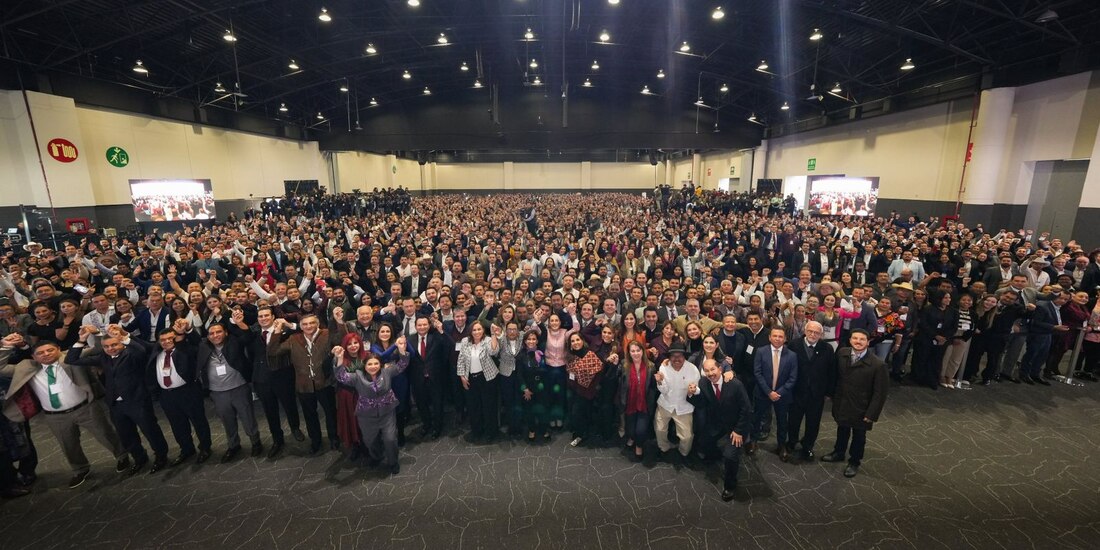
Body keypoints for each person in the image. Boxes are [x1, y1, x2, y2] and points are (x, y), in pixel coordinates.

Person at [0, 335, 129, 489]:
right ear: (33, 356)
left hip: (85, 408)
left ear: (59, 350)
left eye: (50, 350)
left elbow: (97, 348)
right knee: (68, 445)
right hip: (55, 416)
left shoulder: (70, 357)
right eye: (41, 353)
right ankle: (80, 469)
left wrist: (93, 334)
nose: (46, 354)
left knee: (105, 433)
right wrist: (6, 346)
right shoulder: (26, 367)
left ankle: (122, 456)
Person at [65, 324, 168, 475]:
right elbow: (71, 359)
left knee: (151, 431)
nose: (111, 348)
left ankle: (161, 457)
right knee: (126, 434)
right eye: (106, 346)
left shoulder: (132, 354)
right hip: (115, 404)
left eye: (114, 344)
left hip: (137, 401)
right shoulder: (103, 358)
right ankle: (140, 458)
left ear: (121, 343)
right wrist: (81, 340)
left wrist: (124, 337)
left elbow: (142, 350)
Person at [331, 335, 409, 474]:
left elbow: (402, 365)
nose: (373, 367)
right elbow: (341, 376)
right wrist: (340, 358)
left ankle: (393, 462)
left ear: (380, 365)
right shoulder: (357, 376)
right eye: (369, 364)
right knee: (370, 440)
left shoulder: (387, 371)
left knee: (390, 439)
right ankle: (376, 457)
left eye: (376, 364)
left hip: (387, 412)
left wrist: (402, 350)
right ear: (364, 366)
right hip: (366, 415)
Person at [274, 312, 346, 454]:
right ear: (300, 326)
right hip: (304, 385)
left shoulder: (326, 334)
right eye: (305, 324)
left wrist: (340, 322)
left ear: (317, 323)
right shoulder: (294, 338)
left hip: (324, 382)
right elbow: (274, 351)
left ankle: (334, 438)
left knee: (331, 413)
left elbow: (343, 339)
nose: (309, 326)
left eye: (312, 323)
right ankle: (316, 440)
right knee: (309, 415)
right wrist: (276, 332)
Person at [821, 329, 889, 478]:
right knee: (842, 429)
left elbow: (880, 393)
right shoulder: (842, 353)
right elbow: (835, 376)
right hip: (842, 402)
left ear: (868, 342)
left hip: (862, 407)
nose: (858, 342)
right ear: (850, 340)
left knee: (859, 436)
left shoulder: (878, 365)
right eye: (855, 338)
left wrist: (871, 414)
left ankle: (854, 461)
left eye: (862, 339)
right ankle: (838, 452)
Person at [149, 319, 213, 465]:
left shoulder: (185, 350)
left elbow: (199, 344)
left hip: (188, 391)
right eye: (162, 340)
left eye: (170, 339)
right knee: (177, 424)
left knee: (198, 421)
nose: (166, 342)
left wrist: (187, 331)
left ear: (176, 338)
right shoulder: (157, 352)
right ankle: (186, 449)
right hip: (167, 395)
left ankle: (205, 448)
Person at [689, 358, 751, 502]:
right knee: (704, 441)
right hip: (717, 424)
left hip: (735, 427)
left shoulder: (735, 384)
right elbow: (702, 403)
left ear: (720, 369)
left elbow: (746, 409)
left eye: (713, 369)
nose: (710, 373)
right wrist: (692, 394)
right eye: (707, 371)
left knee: (730, 456)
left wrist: (739, 430)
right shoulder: (704, 382)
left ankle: (730, 486)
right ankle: (715, 455)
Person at [247, 306, 304, 460]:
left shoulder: (285, 332)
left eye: (266, 315)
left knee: (289, 404)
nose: (263, 318)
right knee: (270, 411)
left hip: (283, 375)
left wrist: (288, 324)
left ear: (273, 317)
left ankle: (295, 428)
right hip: (262, 379)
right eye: (260, 316)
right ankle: (277, 440)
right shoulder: (253, 334)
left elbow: (302, 330)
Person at [785, 321, 835, 463]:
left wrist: (828, 393)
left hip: (817, 394)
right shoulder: (794, 345)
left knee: (813, 423)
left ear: (821, 334)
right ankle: (792, 442)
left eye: (817, 333)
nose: (813, 334)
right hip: (796, 392)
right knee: (793, 420)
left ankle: (808, 446)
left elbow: (832, 372)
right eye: (810, 331)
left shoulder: (827, 348)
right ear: (805, 331)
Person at [750, 327, 798, 460]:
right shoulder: (761, 351)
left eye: (780, 336)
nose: (777, 339)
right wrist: (768, 392)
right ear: (770, 337)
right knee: (757, 418)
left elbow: (793, 378)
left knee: (782, 421)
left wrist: (778, 392)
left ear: (785, 339)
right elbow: (757, 373)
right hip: (762, 393)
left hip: (782, 395)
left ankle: (781, 445)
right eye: (775, 336)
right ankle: (753, 441)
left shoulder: (792, 355)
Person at [653, 344, 700, 461]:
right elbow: (664, 390)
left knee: (687, 437)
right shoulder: (664, 367)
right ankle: (664, 449)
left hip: (684, 407)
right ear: (669, 357)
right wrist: (659, 382)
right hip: (665, 404)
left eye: (680, 356)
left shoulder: (692, 369)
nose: (677, 359)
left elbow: (698, 389)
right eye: (673, 356)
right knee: (659, 430)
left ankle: (684, 453)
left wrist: (694, 390)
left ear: (684, 357)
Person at [457, 320, 501, 443]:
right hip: (470, 378)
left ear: (483, 330)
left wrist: (493, 335)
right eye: (474, 330)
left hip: (487, 378)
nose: (477, 332)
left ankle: (491, 432)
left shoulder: (487, 340)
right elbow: (460, 359)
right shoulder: (465, 342)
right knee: (473, 407)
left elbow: (494, 351)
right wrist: (462, 376)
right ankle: (477, 431)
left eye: (479, 329)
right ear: (470, 331)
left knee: (489, 407)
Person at [564, 332, 607, 447]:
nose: (575, 343)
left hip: (591, 390)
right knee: (576, 413)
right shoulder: (570, 357)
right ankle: (580, 434)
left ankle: (586, 434)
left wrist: (592, 386)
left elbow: (599, 371)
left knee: (588, 413)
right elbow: (569, 375)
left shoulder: (590, 354)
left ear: (582, 341)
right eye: (572, 341)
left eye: (578, 340)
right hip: (576, 391)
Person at [619, 340, 656, 461]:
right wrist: (613, 365)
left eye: (638, 350)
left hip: (644, 404)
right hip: (629, 403)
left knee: (640, 431)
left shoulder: (651, 366)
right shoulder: (624, 365)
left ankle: (639, 446)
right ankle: (632, 438)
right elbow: (615, 380)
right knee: (630, 430)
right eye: (632, 351)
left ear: (643, 351)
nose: (635, 353)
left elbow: (653, 387)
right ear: (629, 353)